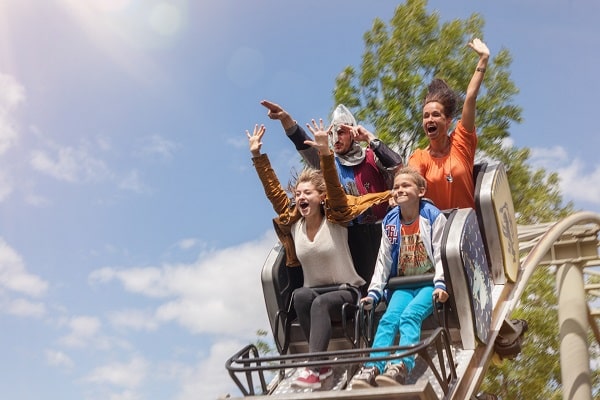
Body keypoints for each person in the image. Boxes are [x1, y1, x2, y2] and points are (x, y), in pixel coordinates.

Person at [247, 121, 391, 390]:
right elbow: (274, 193)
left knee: (319, 304)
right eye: (298, 194)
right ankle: (321, 366)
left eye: (307, 193)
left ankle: (312, 368)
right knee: (300, 295)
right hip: (314, 294)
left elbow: (335, 189)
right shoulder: (295, 223)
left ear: (321, 197)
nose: (300, 197)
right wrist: (257, 156)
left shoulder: (335, 217)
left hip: (348, 291)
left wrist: (325, 153)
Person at [261, 100, 403, 289]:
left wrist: (369, 137)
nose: (336, 138)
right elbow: (302, 142)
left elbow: (397, 166)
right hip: (347, 237)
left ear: (353, 133)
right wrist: (286, 119)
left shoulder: (372, 155)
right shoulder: (328, 164)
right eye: (333, 133)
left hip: (382, 231)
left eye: (341, 132)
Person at [350, 166, 449, 388]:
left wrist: (441, 284)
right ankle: (373, 366)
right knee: (387, 320)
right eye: (396, 187)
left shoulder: (432, 217)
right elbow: (383, 260)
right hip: (402, 285)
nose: (399, 190)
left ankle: (402, 365)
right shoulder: (392, 222)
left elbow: (441, 253)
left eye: (406, 185)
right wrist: (374, 292)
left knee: (410, 316)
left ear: (421, 191)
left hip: (427, 283)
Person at [408, 38, 490, 210]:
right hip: (436, 233)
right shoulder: (420, 157)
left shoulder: (462, 142)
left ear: (447, 121)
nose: (429, 119)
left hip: (467, 231)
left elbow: (470, 98)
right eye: (426, 116)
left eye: (436, 115)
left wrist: (483, 59)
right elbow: (412, 181)